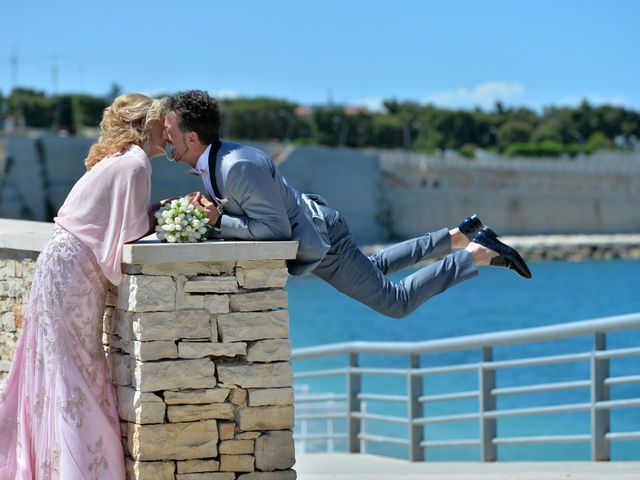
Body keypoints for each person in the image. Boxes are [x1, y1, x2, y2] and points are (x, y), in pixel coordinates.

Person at [162, 90, 531, 319]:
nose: (165, 137)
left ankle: (476, 252)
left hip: (321, 242)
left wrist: (215, 221)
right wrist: (215, 209)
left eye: (170, 131)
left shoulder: (235, 165)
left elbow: (274, 231)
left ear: (191, 137)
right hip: (319, 233)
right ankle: (457, 234)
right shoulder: (217, 161)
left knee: (395, 302)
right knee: (375, 268)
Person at [0, 93, 167, 479]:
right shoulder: (136, 163)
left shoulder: (118, 159)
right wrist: (160, 219)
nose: (168, 130)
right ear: (146, 125)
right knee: (76, 364)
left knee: (63, 362)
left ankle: (57, 463)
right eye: (161, 122)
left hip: (60, 263)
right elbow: (129, 233)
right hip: (73, 270)